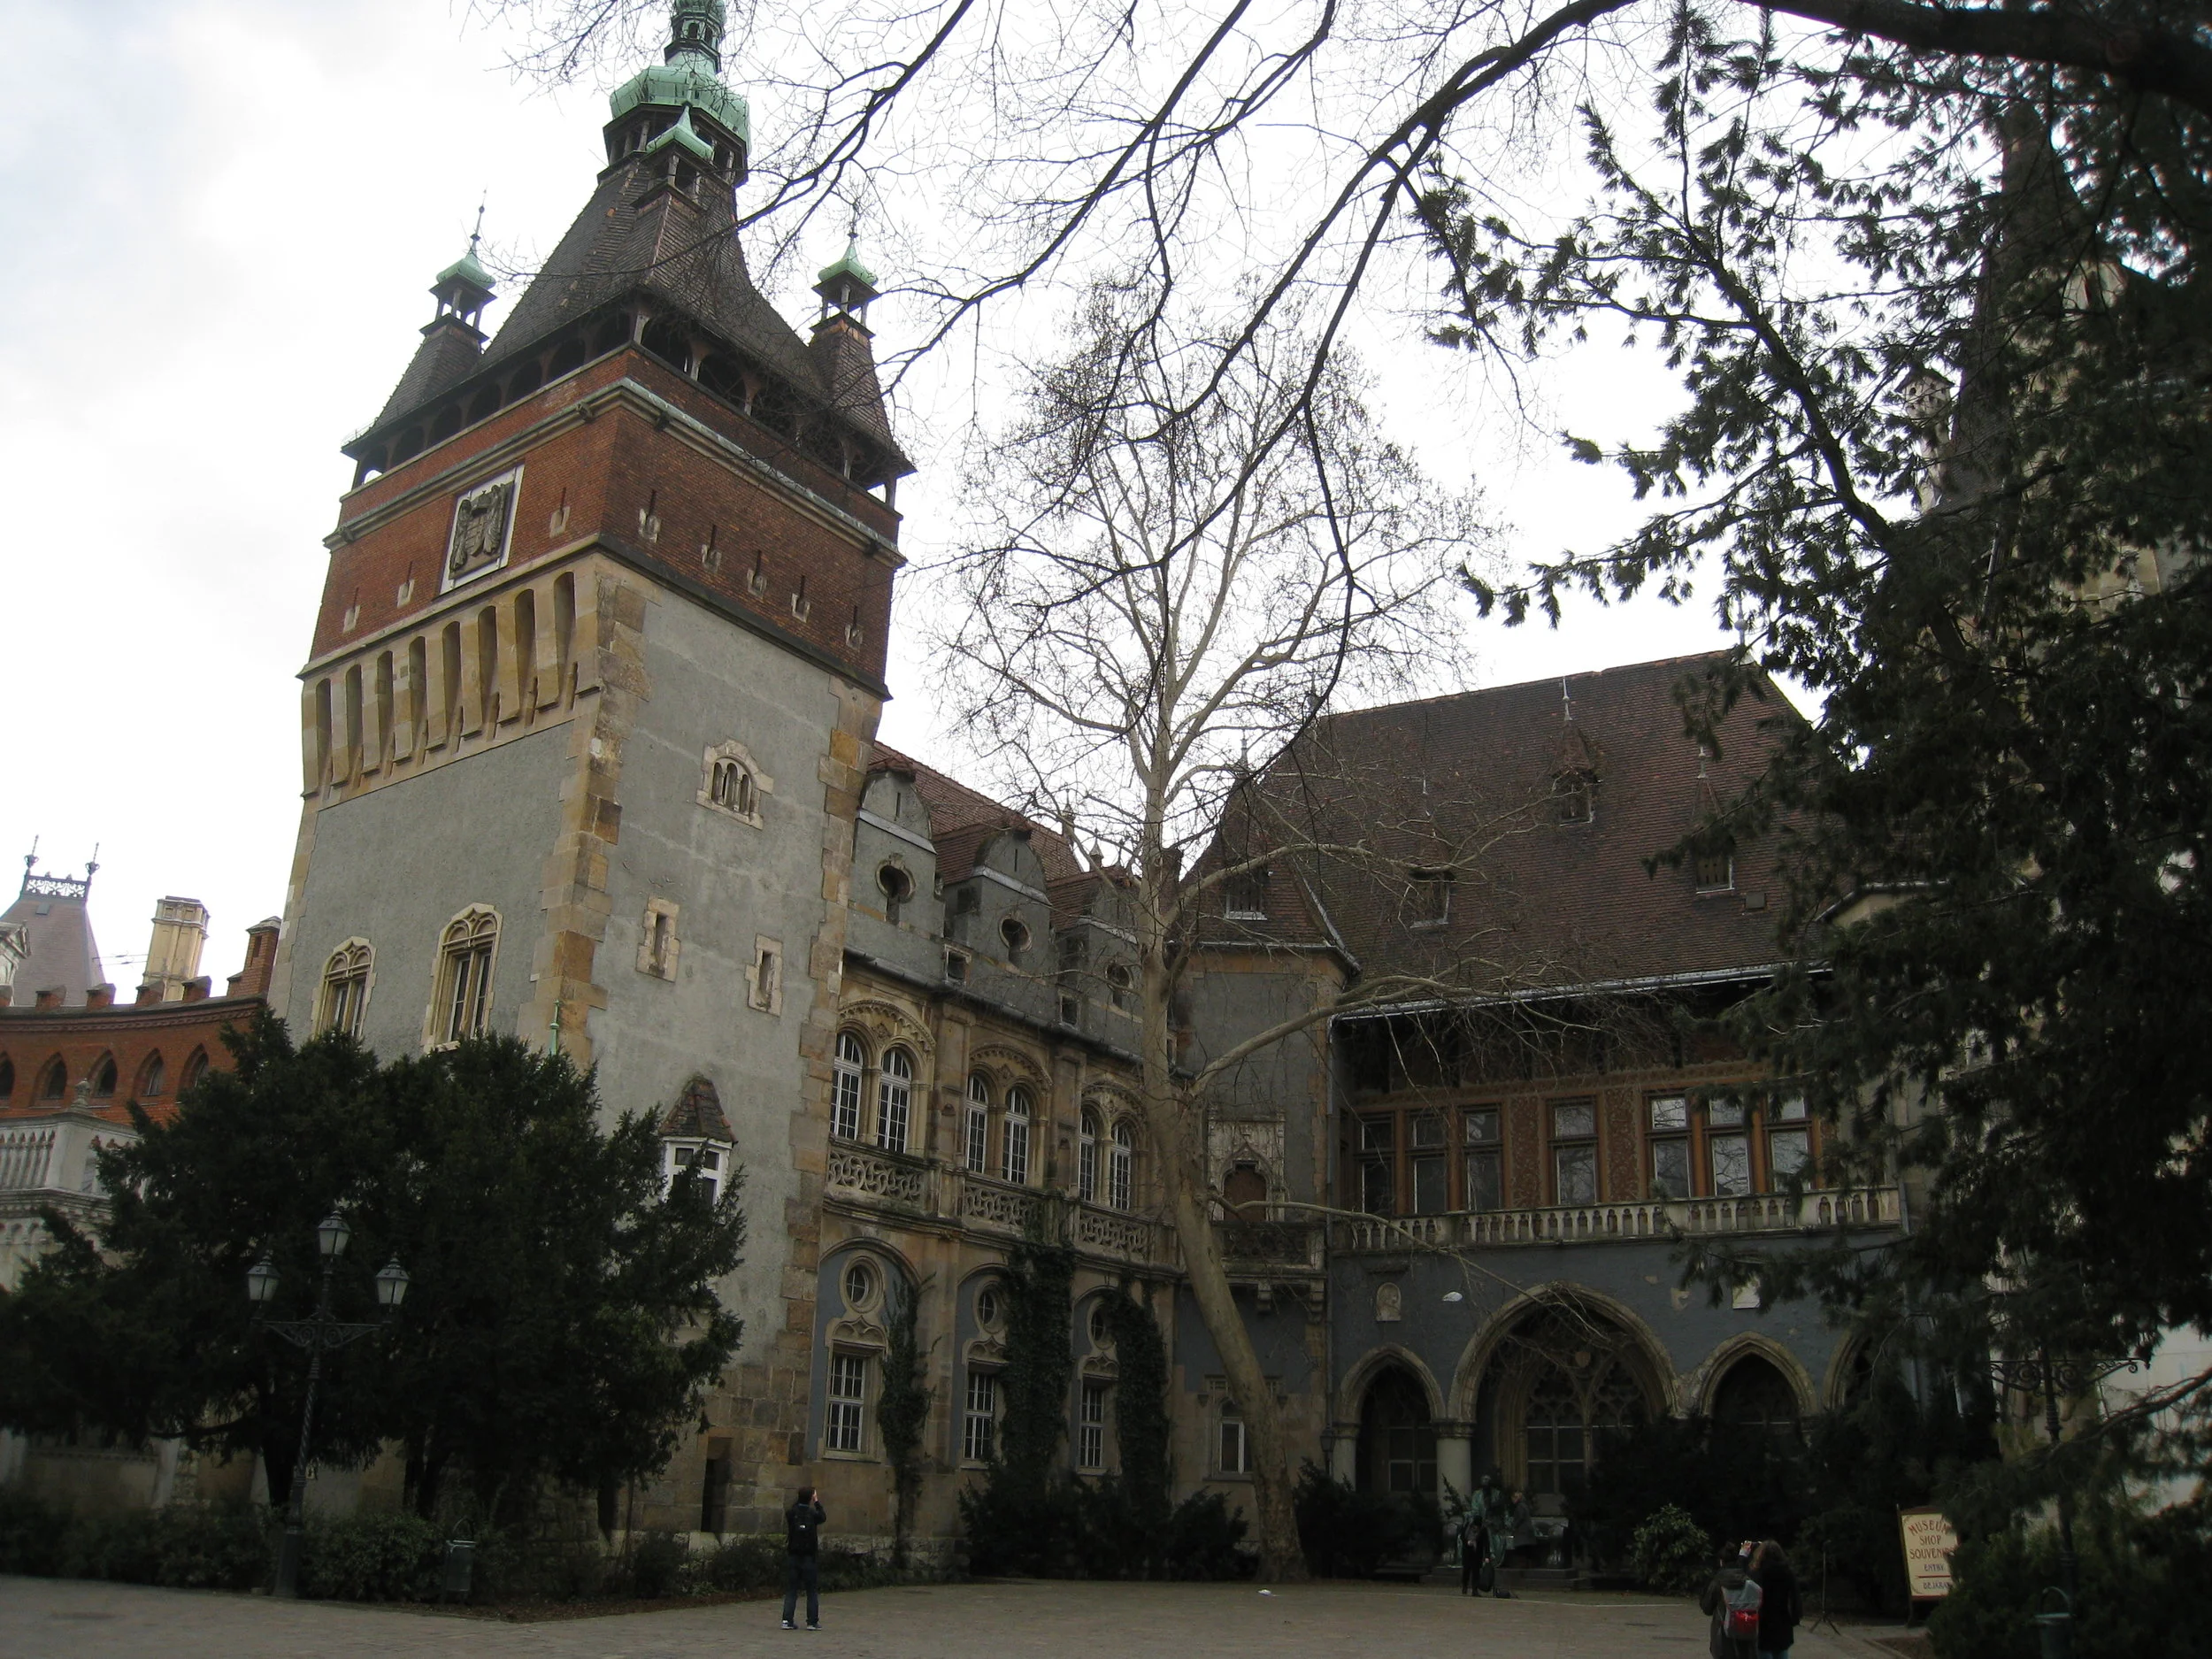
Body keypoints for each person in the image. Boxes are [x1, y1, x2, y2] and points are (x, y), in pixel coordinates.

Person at [1700, 1541, 1762, 1659]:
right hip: (1747, 1631)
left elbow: (1707, 1608)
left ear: (1721, 1562)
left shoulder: (1717, 1582)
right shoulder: (1748, 1580)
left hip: (1723, 1633)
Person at [781, 1485, 826, 1631]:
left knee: (791, 1590)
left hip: (793, 1555)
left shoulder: (791, 1513)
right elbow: (823, 1516)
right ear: (810, 1499)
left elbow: (792, 1510)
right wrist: (816, 1501)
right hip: (809, 1557)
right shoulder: (813, 1515)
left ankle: (787, 1620)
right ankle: (812, 1622)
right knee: (811, 1590)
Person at [1750, 1539, 1802, 1659]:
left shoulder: (1758, 1573)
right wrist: (1795, 1618)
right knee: (1782, 1650)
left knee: (1764, 1651)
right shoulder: (1788, 1572)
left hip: (1763, 1622)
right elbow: (1795, 1597)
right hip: (1782, 1620)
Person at [1460, 1476, 1499, 1595]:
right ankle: (1465, 1586)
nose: (1476, 1529)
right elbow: (1462, 1536)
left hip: (1477, 1554)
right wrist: (1468, 1543)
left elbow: (1486, 1543)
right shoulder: (1467, 1528)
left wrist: (1487, 1556)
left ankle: (1475, 1590)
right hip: (1468, 1552)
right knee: (1467, 1570)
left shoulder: (1482, 1531)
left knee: (1476, 1571)